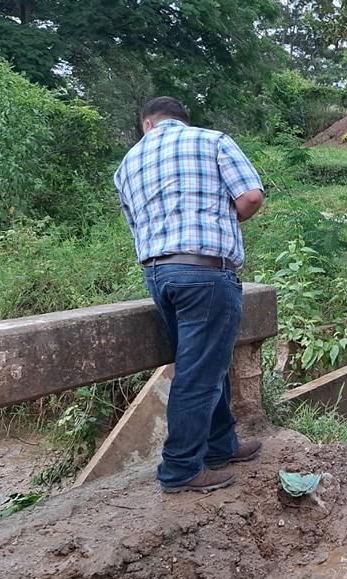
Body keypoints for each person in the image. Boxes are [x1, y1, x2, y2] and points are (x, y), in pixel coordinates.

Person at [114, 96, 266, 493]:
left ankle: (220, 446)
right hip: (204, 272)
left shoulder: (127, 164)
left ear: (148, 124)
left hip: (158, 273)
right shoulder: (212, 140)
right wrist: (214, 218)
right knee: (199, 374)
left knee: (208, 362)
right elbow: (250, 197)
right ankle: (181, 469)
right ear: (182, 121)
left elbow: (135, 222)